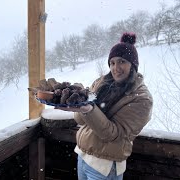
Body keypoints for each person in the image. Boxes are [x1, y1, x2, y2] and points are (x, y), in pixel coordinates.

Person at [55, 32, 153, 180]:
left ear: (133, 65)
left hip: (105, 168)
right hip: (83, 157)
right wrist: (78, 106)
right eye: (112, 63)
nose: (116, 68)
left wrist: (89, 109)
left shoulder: (142, 99)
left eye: (121, 61)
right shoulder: (102, 84)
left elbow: (114, 134)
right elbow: (80, 120)